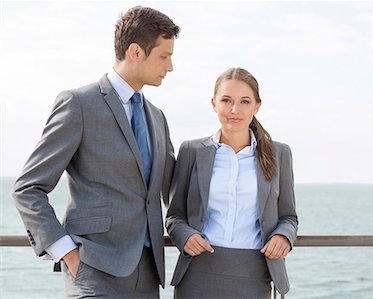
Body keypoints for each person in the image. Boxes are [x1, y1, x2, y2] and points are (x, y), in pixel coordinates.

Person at [12, 6, 179, 298]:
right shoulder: (79, 104)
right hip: (93, 269)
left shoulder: (157, 117)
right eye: (164, 56)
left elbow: (174, 187)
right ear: (136, 52)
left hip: (148, 273)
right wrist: (66, 252)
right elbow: (28, 188)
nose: (170, 66)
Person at [166, 67, 298, 298]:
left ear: (257, 106)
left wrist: (283, 236)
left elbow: (288, 217)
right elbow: (175, 215)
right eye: (226, 100)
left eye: (245, 101)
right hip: (197, 272)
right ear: (214, 103)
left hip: (254, 273)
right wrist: (185, 236)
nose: (234, 110)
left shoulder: (280, 154)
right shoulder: (191, 151)